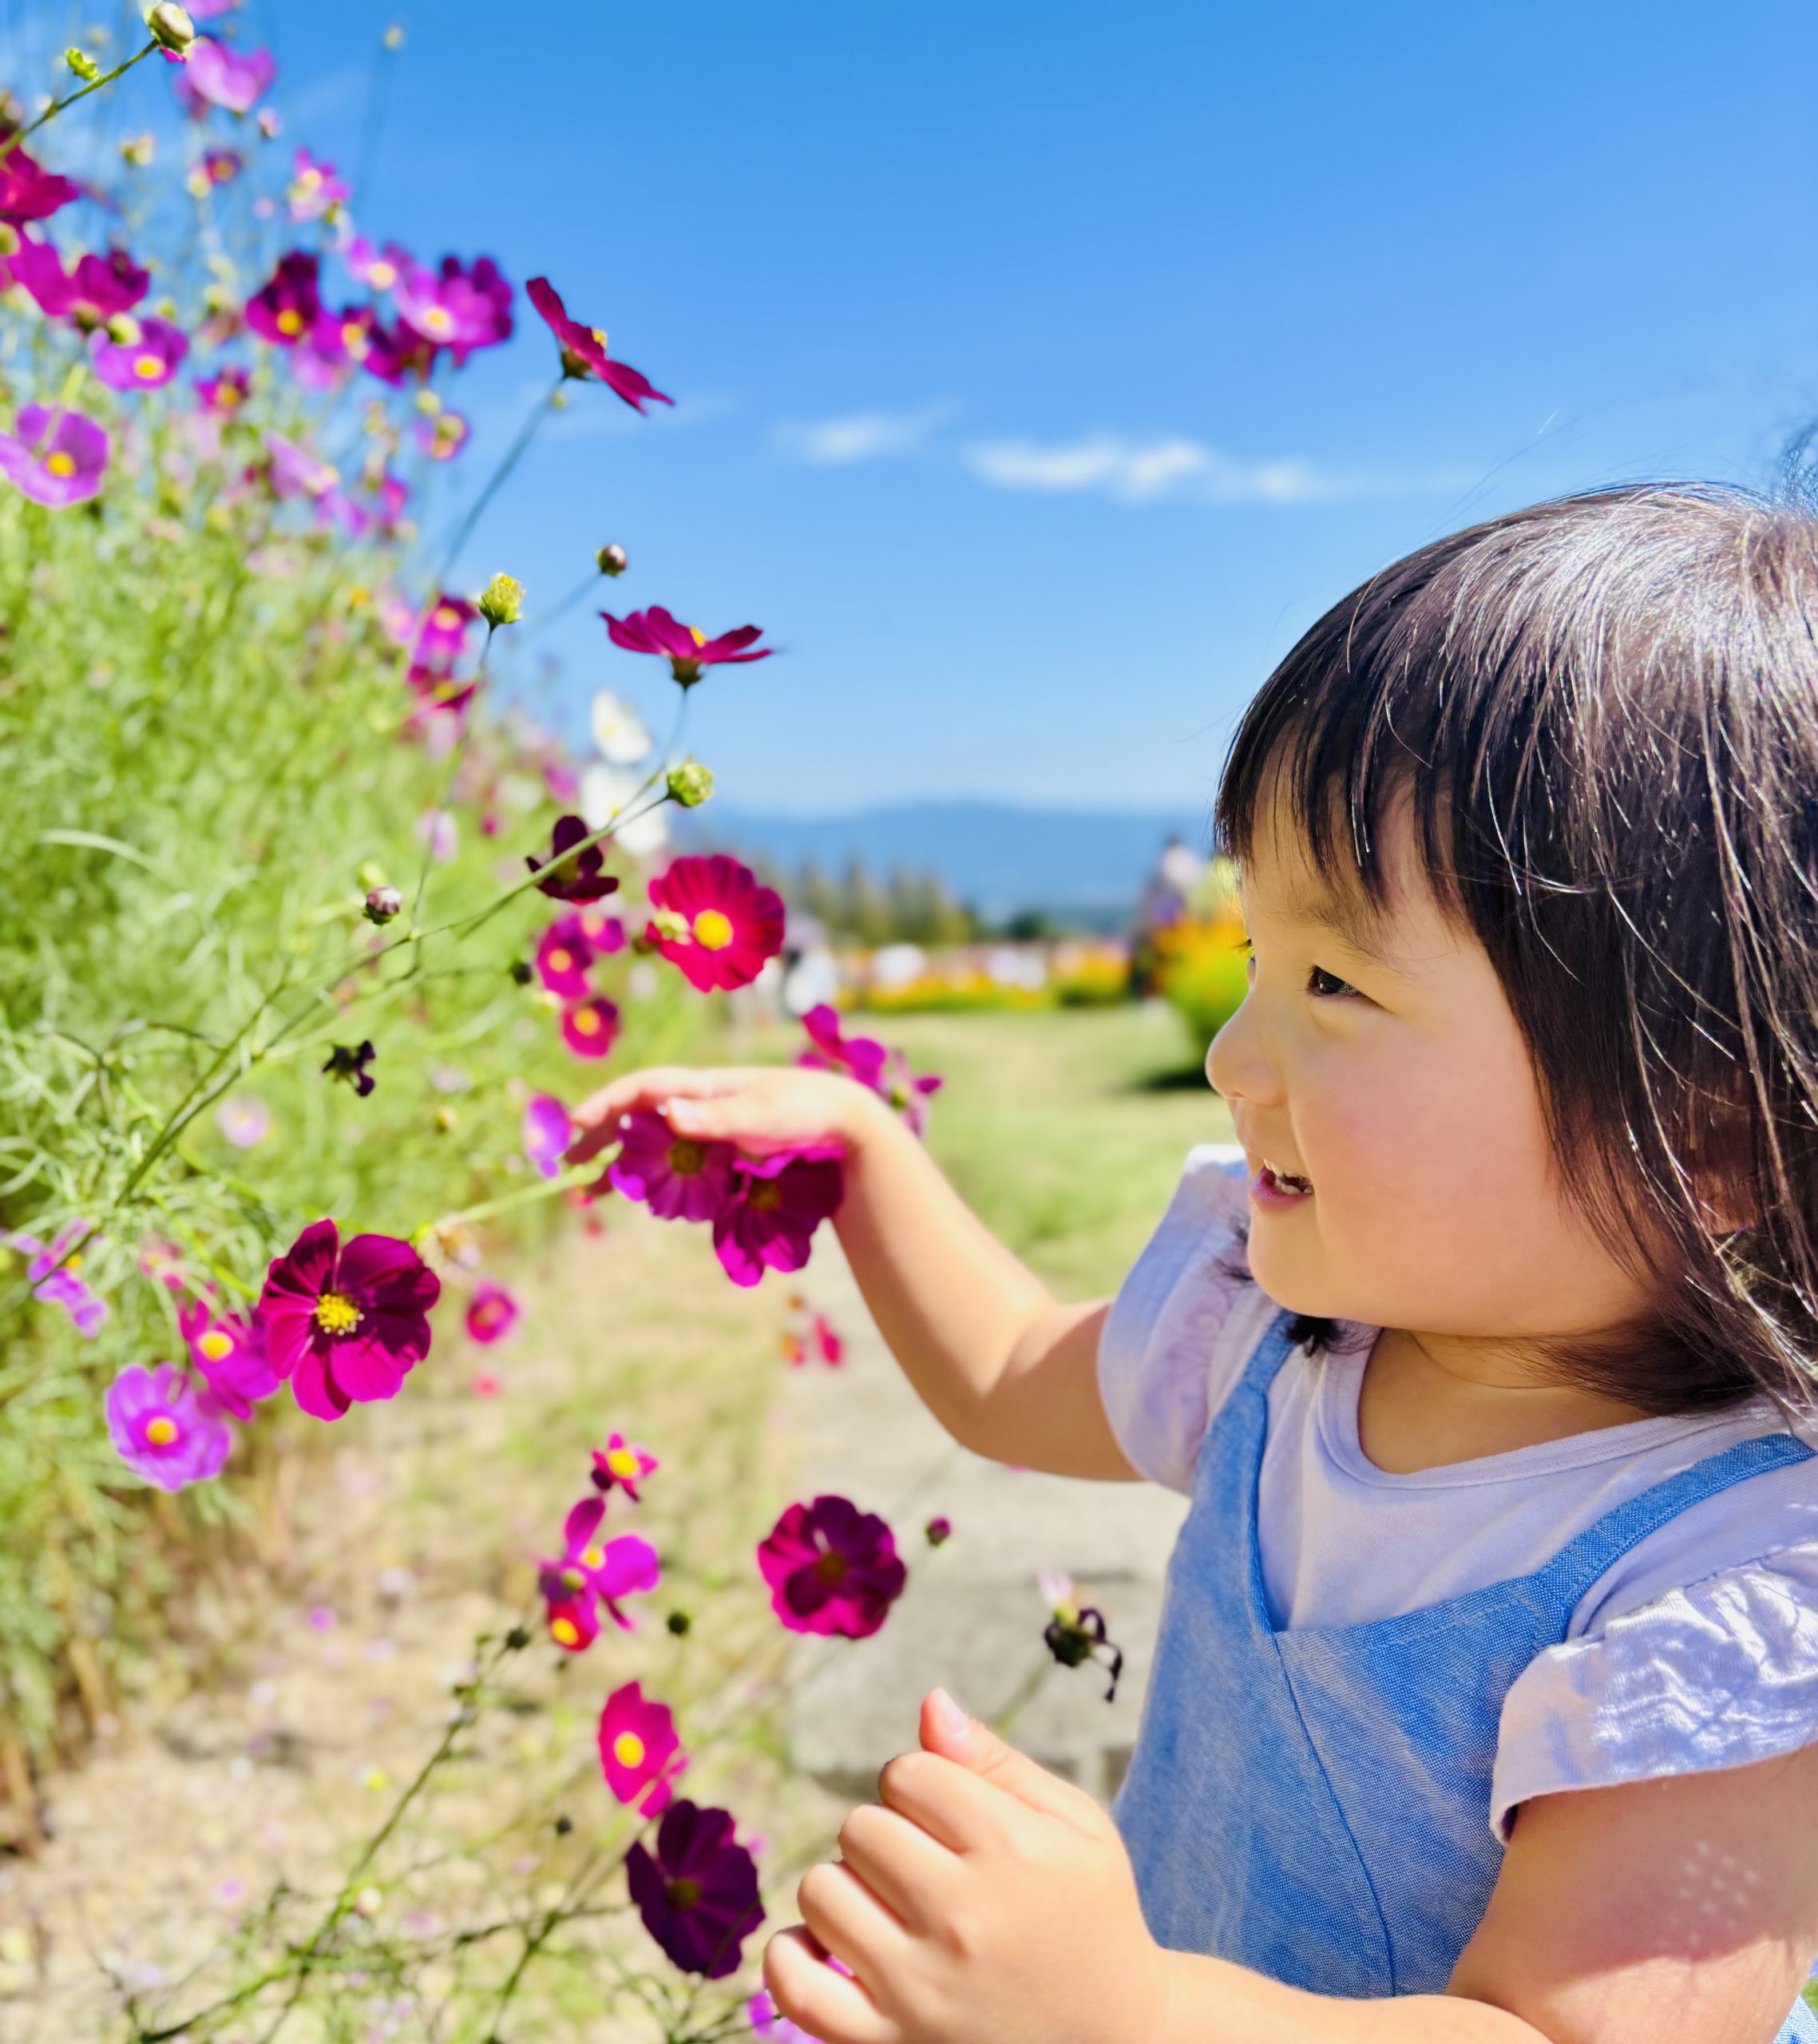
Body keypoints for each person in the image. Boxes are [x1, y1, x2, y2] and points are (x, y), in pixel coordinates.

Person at [567, 487, 1818, 2044]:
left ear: (1703, 1124)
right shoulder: (1282, 1338)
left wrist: (1124, 2006)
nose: (1234, 1052)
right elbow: (1015, 1369)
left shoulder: (1733, 1580)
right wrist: (865, 1156)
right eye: (1249, 956)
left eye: (1331, 979)